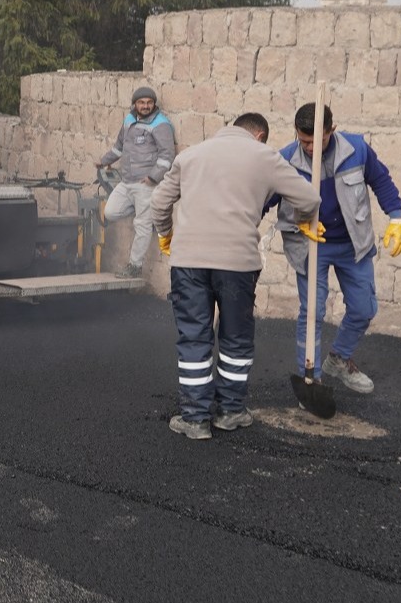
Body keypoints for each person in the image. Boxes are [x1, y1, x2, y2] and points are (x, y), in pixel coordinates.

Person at [152, 113, 322, 440]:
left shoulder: (191, 155)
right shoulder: (265, 157)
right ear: (259, 136)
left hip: (189, 263)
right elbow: (309, 198)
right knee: (235, 338)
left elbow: (159, 201)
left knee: (194, 337)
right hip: (238, 264)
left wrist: (166, 233)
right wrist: (303, 220)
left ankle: (195, 419)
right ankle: (230, 411)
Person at [267, 104, 401, 395]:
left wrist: (397, 217)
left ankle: (338, 359)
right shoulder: (284, 160)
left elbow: (380, 180)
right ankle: (312, 378)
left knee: (363, 308)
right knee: (313, 312)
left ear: (332, 130)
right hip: (309, 245)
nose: (309, 147)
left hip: (352, 244)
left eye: (316, 140)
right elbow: (263, 199)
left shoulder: (356, 149)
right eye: (303, 141)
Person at [95, 86, 176, 278]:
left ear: (154, 104)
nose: (146, 106)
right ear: (135, 104)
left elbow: (167, 156)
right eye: (142, 102)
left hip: (145, 184)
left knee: (142, 225)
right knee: (111, 212)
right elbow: (119, 147)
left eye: (149, 102)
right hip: (127, 181)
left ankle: (134, 266)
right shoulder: (129, 120)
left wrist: (152, 177)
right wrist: (104, 161)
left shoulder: (161, 124)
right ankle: (146, 211)